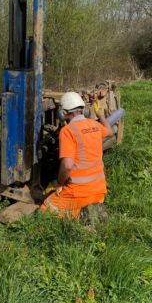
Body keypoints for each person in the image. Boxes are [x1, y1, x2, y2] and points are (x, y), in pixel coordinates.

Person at [41, 91, 113, 220]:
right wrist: (101, 115)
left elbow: (67, 166)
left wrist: (59, 182)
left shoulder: (67, 131)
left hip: (79, 193)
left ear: (63, 113)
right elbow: (110, 131)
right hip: (99, 191)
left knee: (45, 211)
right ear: (82, 109)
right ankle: (91, 210)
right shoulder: (95, 125)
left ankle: (80, 215)